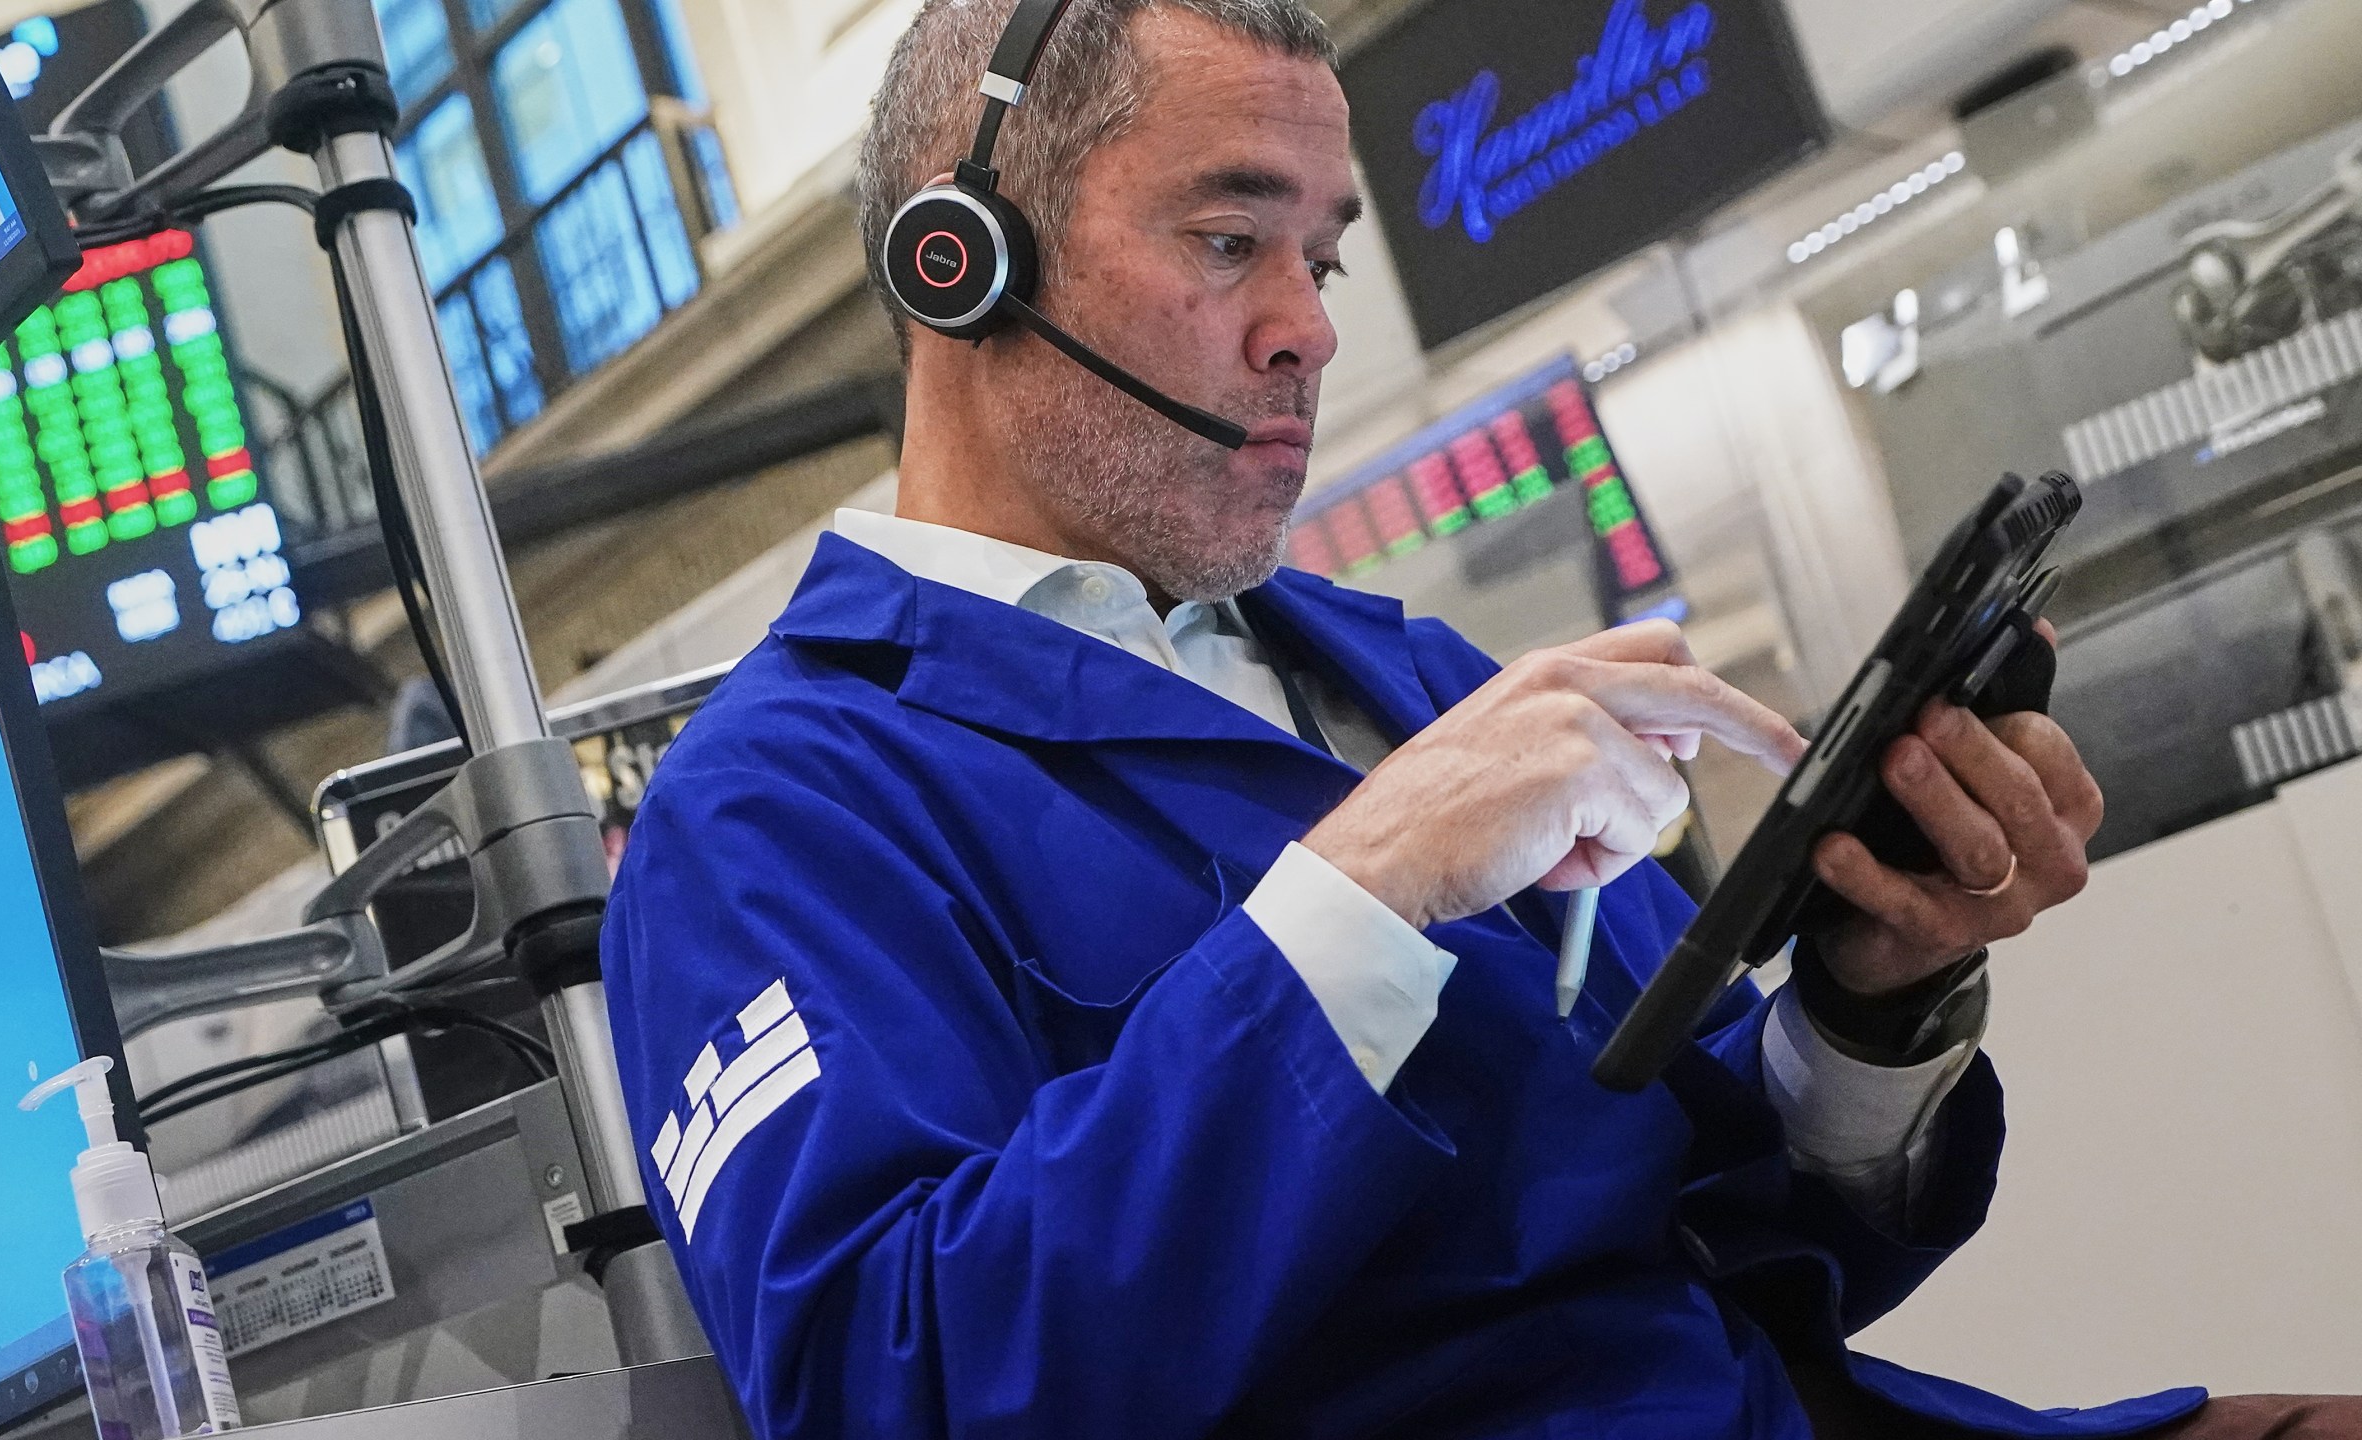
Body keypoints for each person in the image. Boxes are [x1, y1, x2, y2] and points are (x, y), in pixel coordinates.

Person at [599, 2, 2362, 1435]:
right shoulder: (767, 812)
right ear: (956, 258)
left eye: (1325, 259)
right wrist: (1352, 901)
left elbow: (1737, 1227)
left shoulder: (1401, 674)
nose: (1305, 333)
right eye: (1229, 241)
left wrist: (1870, 999)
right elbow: (892, 1389)